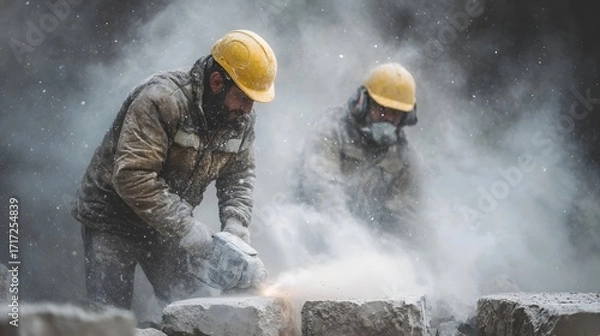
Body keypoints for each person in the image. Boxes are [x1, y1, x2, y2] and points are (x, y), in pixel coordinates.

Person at [71, 30, 277, 310]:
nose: (249, 108)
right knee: (110, 315)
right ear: (217, 82)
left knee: (191, 308)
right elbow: (133, 176)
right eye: (244, 98)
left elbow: (238, 176)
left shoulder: (239, 117)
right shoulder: (162, 99)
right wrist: (186, 227)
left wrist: (236, 222)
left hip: (167, 223)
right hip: (112, 218)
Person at [295, 62, 422, 244]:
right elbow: (321, 187)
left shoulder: (404, 158)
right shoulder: (331, 131)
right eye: (382, 109)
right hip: (312, 227)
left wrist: (388, 248)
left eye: (396, 113)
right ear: (363, 103)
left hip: (367, 241)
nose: (389, 118)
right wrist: (348, 237)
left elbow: (405, 217)